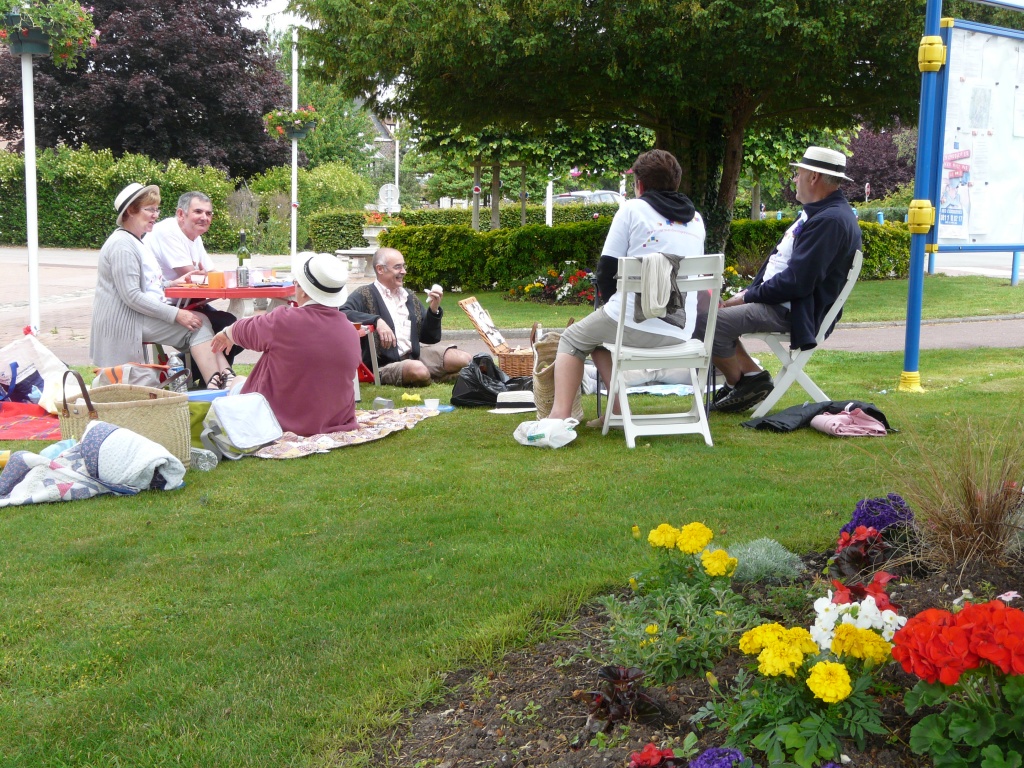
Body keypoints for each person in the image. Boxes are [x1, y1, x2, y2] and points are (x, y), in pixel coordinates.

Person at [547, 149, 706, 425]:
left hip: (633, 323)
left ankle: (557, 416)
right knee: (598, 343)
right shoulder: (697, 220)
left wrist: (611, 306)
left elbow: (606, 270)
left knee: (572, 338)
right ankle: (618, 412)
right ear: (676, 182)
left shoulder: (632, 209)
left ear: (640, 185)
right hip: (681, 330)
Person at [703, 146, 862, 413]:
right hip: (788, 305)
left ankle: (745, 383)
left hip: (795, 311)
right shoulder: (822, 213)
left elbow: (797, 282)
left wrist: (746, 296)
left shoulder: (830, 221)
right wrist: (747, 294)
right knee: (710, 316)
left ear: (813, 177)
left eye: (797, 174)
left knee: (711, 322)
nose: (794, 179)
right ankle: (748, 380)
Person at [90, 183, 236, 388]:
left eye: (156, 209)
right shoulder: (122, 246)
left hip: (136, 316)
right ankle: (216, 384)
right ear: (130, 211)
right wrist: (176, 314)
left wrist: (172, 283)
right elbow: (132, 296)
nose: (155, 215)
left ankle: (221, 379)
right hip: (125, 324)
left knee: (202, 321)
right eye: (149, 209)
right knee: (197, 324)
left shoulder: (135, 241)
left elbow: (146, 284)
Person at [211, 252, 361, 436]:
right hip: (331, 419)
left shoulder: (284, 320)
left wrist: (226, 332)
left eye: (296, 283)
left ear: (304, 291)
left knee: (237, 381)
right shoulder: (349, 331)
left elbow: (245, 329)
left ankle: (220, 377)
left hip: (274, 419)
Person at [144, 191, 240, 386]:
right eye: (198, 211)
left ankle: (205, 376)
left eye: (209, 213)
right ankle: (214, 379)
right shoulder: (168, 231)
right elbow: (193, 276)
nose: (204, 217)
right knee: (224, 327)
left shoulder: (194, 236)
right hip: (162, 308)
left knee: (231, 326)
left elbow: (210, 272)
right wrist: (209, 276)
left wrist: (216, 276)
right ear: (181, 214)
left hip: (185, 303)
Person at [341, 247, 471, 385]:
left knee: (464, 359)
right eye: (398, 267)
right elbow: (343, 312)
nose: (403, 271)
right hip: (384, 365)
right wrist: (377, 321)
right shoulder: (364, 294)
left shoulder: (408, 296)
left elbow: (430, 338)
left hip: (415, 355)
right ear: (380, 269)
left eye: (403, 266)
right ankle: (435, 377)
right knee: (418, 370)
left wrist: (433, 309)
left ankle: (428, 375)